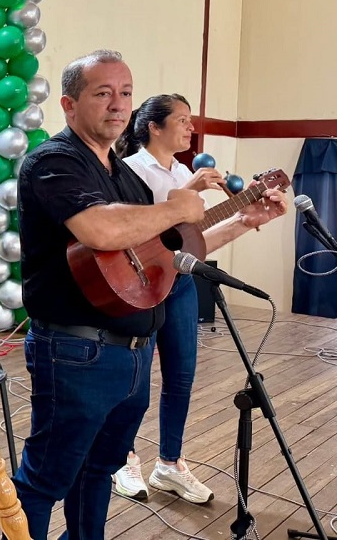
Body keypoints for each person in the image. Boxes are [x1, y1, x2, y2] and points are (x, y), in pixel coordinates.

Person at [12, 50, 286, 539]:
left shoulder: (125, 175)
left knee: (98, 472)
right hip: (76, 352)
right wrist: (178, 205)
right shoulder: (54, 162)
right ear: (70, 105)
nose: (118, 105)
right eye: (102, 93)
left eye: (125, 93)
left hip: (133, 356)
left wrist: (243, 220)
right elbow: (98, 228)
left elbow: (170, 252)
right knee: (45, 480)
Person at [110, 94, 242, 504]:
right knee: (136, 380)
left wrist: (246, 213)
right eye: (182, 120)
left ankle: (169, 463)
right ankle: (122, 459)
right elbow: (137, 232)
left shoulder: (183, 168)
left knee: (181, 375)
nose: (190, 128)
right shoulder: (129, 170)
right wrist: (189, 188)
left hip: (181, 282)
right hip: (142, 284)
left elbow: (192, 237)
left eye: (190, 121)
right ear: (154, 126)